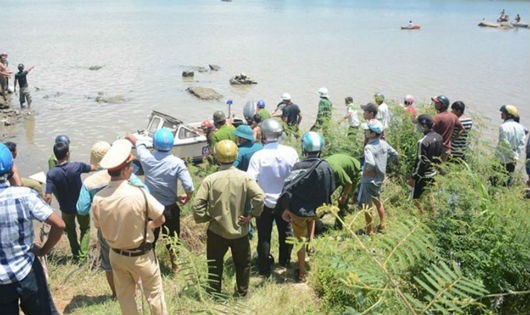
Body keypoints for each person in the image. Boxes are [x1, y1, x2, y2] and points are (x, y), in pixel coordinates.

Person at [91, 139, 167, 315]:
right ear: (125, 170)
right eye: (130, 166)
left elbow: (99, 226)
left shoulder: (99, 199)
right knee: (154, 297)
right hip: (142, 256)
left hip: (116, 256)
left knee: (125, 299)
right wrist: (151, 225)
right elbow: (161, 218)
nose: (132, 169)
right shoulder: (139, 193)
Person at [193, 140, 264, 296]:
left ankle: (214, 292)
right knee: (243, 264)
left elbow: (197, 205)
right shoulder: (245, 178)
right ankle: (242, 292)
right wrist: (252, 215)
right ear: (235, 155)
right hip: (240, 230)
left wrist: (206, 217)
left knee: (214, 264)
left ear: (217, 157)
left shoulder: (210, 180)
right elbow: (260, 196)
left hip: (216, 230)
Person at [0, 143, 65, 315]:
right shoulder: (24, 195)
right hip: (26, 271)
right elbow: (59, 225)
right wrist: (43, 250)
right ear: (10, 167)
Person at [76, 141, 147, 298]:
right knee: (132, 257)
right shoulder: (128, 175)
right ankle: (134, 291)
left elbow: (81, 209)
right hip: (128, 223)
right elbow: (145, 193)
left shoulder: (89, 183)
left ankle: (116, 294)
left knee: (109, 264)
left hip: (105, 228)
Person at [126, 128, 194, 271]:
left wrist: (129, 137)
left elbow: (137, 142)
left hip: (151, 208)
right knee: (173, 239)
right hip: (170, 208)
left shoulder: (146, 158)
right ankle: (175, 266)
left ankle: (151, 265)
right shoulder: (177, 163)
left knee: (150, 238)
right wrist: (187, 198)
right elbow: (189, 186)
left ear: (155, 144)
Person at [279, 132, 335, 282]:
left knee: (299, 241)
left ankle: (302, 272)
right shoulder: (325, 165)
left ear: (304, 148)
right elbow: (331, 187)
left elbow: (288, 189)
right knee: (311, 222)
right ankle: (311, 246)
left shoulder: (298, 167)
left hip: (298, 210)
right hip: (317, 210)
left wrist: (286, 209)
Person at [247, 118, 299, 276]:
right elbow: (297, 177)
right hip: (285, 201)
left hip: (264, 202)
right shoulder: (291, 152)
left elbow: (250, 181)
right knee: (286, 232)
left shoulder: (258, 156)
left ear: (263, 135)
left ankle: (264, 268)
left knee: (264, 235)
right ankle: (284, 261)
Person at [44, 141, 95, 262]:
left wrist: (46, 215)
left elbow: (48, 196)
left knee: (70, 231)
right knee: (85, 229)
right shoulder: (76, 166)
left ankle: (76, 254)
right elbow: (93, 167)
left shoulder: (51, 174)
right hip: (81, 206)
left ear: (55, 156)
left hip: (66, 209)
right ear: (67, 154)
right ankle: (83, 258)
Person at [358, 120, 398, 234]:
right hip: (379, 179)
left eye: (367, 130)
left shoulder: (368, 147)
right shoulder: (384, 143)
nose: (365, 132)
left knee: (367, 206)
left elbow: (370, 163)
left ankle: (369, 230)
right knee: (378, 201)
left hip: (368, 180)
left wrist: (365, 171)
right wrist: (384, 164)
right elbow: (395, 154)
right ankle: (382, 224)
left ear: (372, 134)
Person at [410, 115, 443, 212]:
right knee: (430, 193)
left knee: (415, 197)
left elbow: (421, 161)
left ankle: (422, 214)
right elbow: (438, 157)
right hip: (433, 172)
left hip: (423, 175)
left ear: (424, 126)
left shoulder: (422, 142)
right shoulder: (439, 137)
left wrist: (414, 177)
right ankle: (434, 213)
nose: (417, 127)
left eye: (418, 125)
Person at [324, 153, 360, 229]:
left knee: (343, 200)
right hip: (341, 170)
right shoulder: (323, 167)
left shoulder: (336, 170)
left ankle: (339, 225)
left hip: (353, 172)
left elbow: (349, 183)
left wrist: (344, 195)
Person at [495, 105, 525, 186]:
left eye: (503, 112)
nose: (501, 114)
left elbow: (504, 142)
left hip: (501, 158)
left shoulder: (503, 127)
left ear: (508, 115)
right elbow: (522, 143)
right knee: (508, 181)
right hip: (513, 160)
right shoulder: (521, 127)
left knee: (494, 179)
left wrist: (512, 154)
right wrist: (516, 155)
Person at [432, 95, 463, 161]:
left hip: (437, 148)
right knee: (441, 168)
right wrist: (452, 139)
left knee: (433, 168)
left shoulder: (437, 117)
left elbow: (429, 132)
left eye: (437, 103)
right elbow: (461, 128)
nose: (435, 104)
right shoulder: (453, 116)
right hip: (446, 149)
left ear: (442, 105)